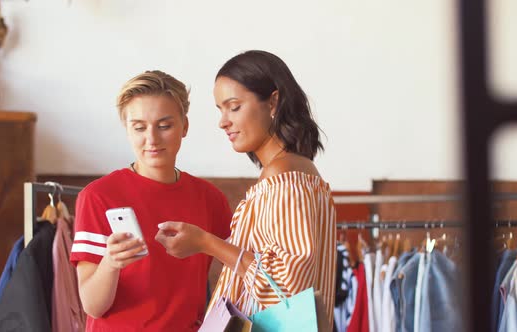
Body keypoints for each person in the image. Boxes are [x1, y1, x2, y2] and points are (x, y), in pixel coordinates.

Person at [155, 50, 337, 328]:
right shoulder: (297, 173)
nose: (223, 121)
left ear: (273, 102)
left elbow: (287, 285)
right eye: (220, 109)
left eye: (234, 106)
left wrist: (206, 243)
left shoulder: (284, 178)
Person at [70, 70, 232, 331]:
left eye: (164, 126)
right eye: (139, 127)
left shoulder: (209, 199)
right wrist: (111, 262)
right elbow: (93, 306)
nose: (152, 139)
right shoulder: (98, 196)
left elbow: (239, 273)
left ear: (185, 126)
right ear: (128, 130)